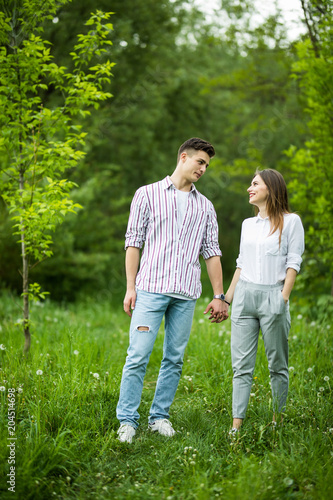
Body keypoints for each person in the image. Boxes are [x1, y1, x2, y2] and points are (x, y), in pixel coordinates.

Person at [116, 137, 229, 443]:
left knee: (174, 359)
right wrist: (130, 287)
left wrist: (219, 296)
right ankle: (127, 421)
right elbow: (133, 242)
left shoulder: (205, 207)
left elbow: (212, 252)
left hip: (186, 294)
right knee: (138, 355)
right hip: (150, 289)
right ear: (183, 157)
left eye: (207, 165)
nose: (203, 169)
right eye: (200, 162)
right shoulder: (147, 195)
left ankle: (159, 417)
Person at [223, 168, 304, 433]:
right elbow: (240, 265)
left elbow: (293, 263)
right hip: (244, 297)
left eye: (255, 183)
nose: (249, 187)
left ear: (270, 187)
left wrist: (282, 298)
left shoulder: (291, 222)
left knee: (277, 365)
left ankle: (276, 421)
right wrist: (226, 299)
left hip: (273, 295)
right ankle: (237, 425)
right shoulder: (248, 225)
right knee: (241, 366)